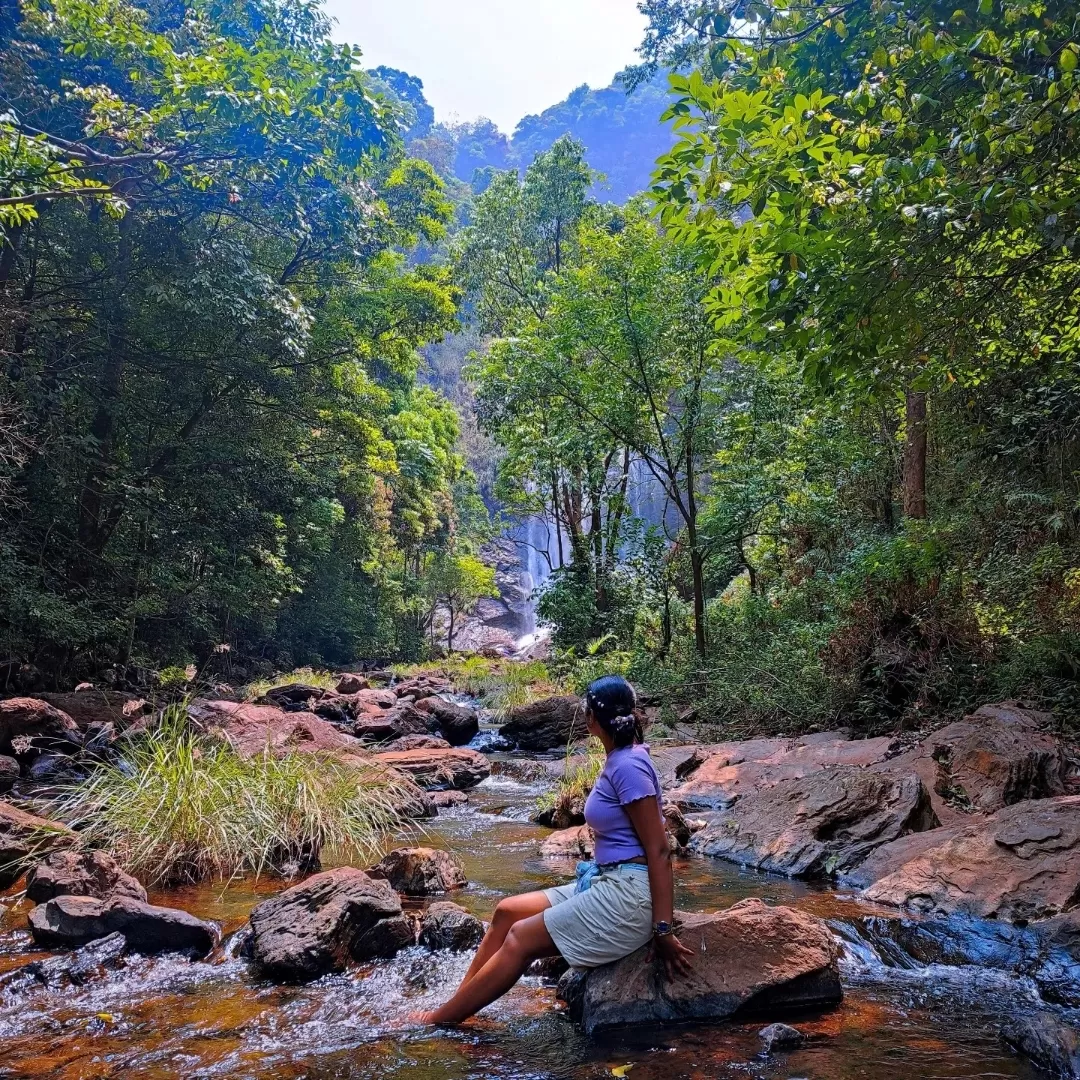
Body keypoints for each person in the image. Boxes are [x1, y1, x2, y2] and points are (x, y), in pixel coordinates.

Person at [413, 674, 693, 1026]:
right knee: (506, 912)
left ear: (592, 718)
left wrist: (662, 929)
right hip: (608, 881)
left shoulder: (629, 765)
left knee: (520, 938)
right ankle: (462, 1001)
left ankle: (439, 1020)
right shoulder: (623, 757)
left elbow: (659, 850)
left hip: (629, 897)